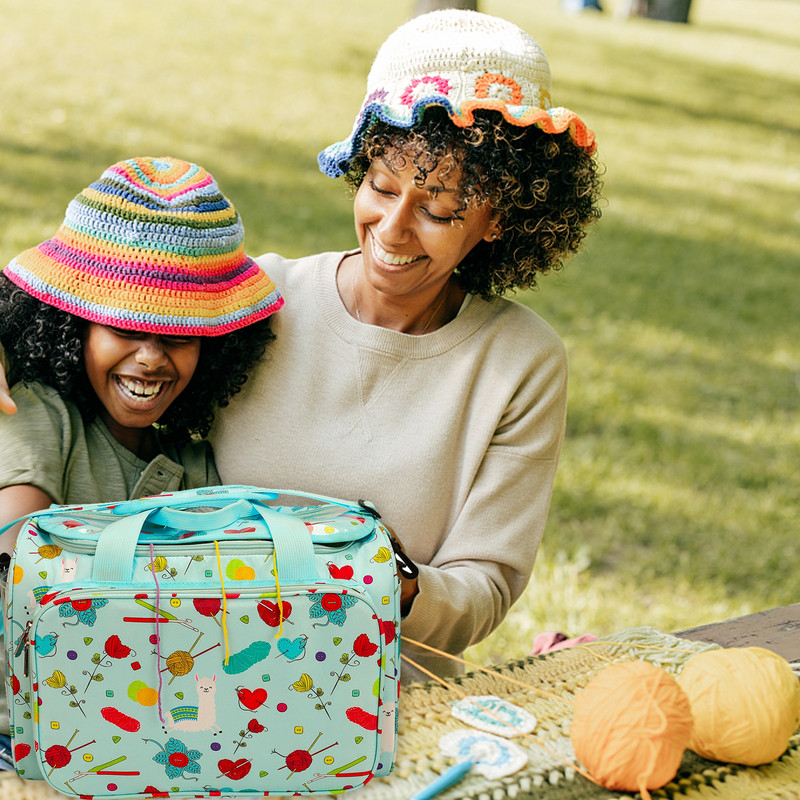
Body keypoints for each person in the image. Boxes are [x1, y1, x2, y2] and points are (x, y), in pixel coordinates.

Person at [0, 11, 602, 684]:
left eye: (438, 209)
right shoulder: (262, 301)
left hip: (373, 701)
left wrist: (389, 578)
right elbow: (91, 307)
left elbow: (485, 586)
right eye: (381, 186)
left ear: (500, 217)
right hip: (189, 677)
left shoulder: (520, 362)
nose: (392, 229)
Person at [0, 155, 283, 552]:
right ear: (74, 326)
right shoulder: (41, 417)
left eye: (180, 334)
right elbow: (13, 566)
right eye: (125, 328)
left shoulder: (196, 467)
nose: (151, 357)